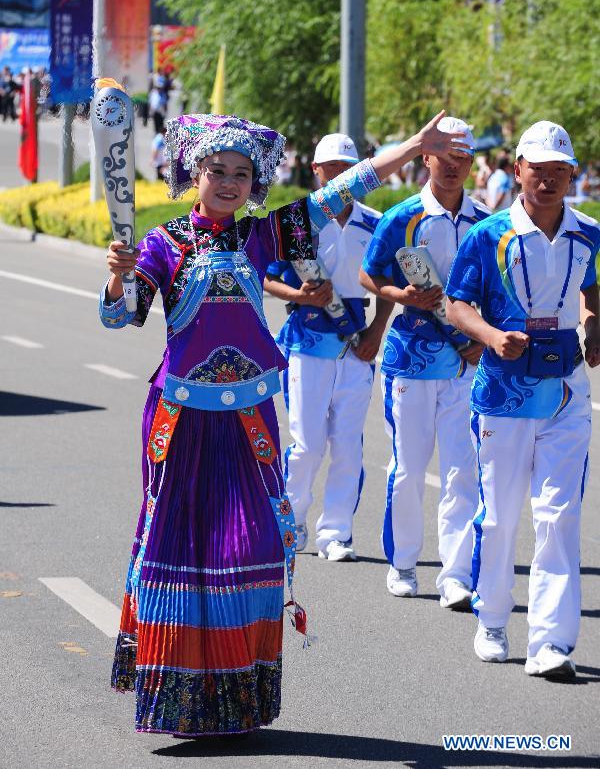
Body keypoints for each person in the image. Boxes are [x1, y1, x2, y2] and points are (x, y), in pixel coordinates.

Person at [100, 109, 466, 737]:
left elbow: (342, 191)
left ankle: (236, 697)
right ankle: (178, 701)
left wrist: (411, 147)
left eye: (242, 173)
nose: (230, 182)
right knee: (182, 552)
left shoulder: (262, 236)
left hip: (249, 420)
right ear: (195, 173)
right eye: (218, 170)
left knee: (255, 548)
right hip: (182, 420)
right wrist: (119, 275)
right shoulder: (163, 243)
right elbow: (120, 318)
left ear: (254, 182)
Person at [446, 120, 600, 679]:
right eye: (539, 171)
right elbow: (456, 303)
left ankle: (552, 643)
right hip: (503, 390)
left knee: (560, 515)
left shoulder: (588, 232)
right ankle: (492, 619)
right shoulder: (489, 236)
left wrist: (594, 324)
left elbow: (590, 286)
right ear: (518, 172)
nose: (549, 181)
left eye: (560, 172)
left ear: (572, 176)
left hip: (566, 389)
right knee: (501, 514)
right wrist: (490, 337)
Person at [359, 117, 490, 606]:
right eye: (444, 156)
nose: (453, 166)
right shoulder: (403, 217)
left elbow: (495, 291)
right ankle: (404, 562)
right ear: (426, 157)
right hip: (411, 360)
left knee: (463, 470)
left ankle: (455, 575)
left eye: (462, 158)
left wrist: (483, 336)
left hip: (468, 364)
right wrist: (403, 296)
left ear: (471, 163)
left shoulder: (486, 223)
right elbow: (369, 275)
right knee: (410, 468)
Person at [264, 133, 393, 561]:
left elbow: (389, 281)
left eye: (347, 169)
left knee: (348, 444)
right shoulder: (298, 222)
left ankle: (336, 533)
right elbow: (265, 276)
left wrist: (377, 329)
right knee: (307, 443)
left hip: (357, 347)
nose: (339, 177)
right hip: (307, 342)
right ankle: (292, 520)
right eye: (331, 169)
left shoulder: (375, 222)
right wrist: (299, 296)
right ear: (315, 172)